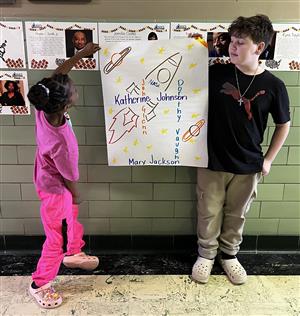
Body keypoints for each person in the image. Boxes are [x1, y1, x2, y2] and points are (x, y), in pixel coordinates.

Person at [192, 15, 290, 285]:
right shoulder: (217, 73)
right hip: (211, 159)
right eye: (231, 41)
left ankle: (229, 255)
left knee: (237, 213)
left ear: (259, 47)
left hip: (248, 164)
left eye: (239, 43)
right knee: (208, 210)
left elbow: (284, 125)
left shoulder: (274, 86)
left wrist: (268, 159)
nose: (232, 47)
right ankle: (206, 254)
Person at [27, 42, 100, 309]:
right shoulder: (62, 143)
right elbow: (70, 177)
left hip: (46, 174)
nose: (74, 87)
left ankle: (74, 252)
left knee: (71, 218)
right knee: (55, 237)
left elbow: (59, 74)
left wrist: (79, 56)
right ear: (67, 104)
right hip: (55, 188)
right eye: (73, 89)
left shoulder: (44, 106)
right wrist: (76, 194)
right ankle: (40, 283)